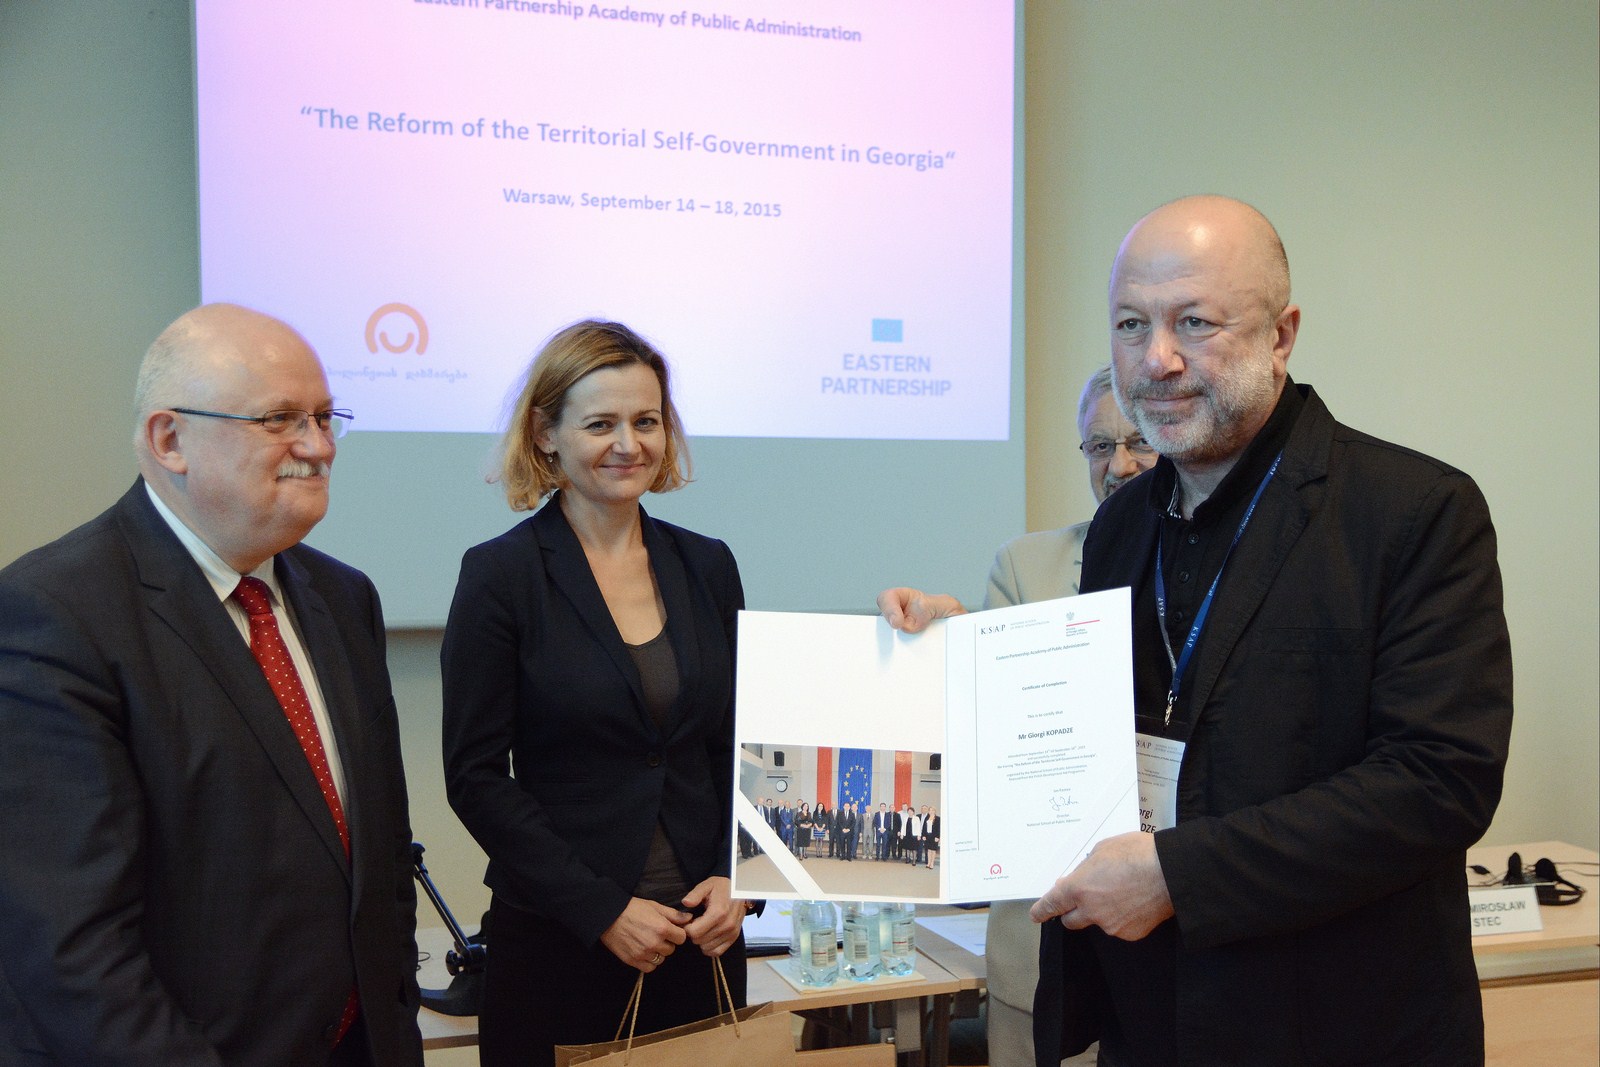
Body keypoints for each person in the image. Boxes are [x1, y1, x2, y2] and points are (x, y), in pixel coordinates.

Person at [880, 196, 1513, 1066]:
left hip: (1336, 1026)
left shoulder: (1413, 511)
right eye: (1131, 324)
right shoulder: (1121, 524)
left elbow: (1439, 781)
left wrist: (1177, 875)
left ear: (1282, 335)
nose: (1157, 359)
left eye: (1195, 322)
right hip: (1148, 1023)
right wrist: (972, 671)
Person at [0, 304, 424, 1067]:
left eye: (324, 417)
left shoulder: (343, 597)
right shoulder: (56, 613)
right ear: (170, 440)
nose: (319, 446)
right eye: (279, 419)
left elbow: (384, 856)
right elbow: (74, 947)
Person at [441, 320, 750, 1067]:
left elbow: (736, 743)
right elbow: (476, 777)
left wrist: (739, 877)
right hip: (561, 946)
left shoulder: (708, 565)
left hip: (701, 941)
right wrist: (601, 909)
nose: (629, 444)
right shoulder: (501, 575)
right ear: (545, 434)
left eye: (647, 421)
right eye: (600, 424)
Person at [974, 365, 1157, 1067]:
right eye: (1099, 445)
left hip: (1184, 942)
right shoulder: (1026, 567)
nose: (1120, 464)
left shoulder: (1231, 569)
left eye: (1139, 441)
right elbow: (993, 727)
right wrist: (950, 644)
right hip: (1045, 948)